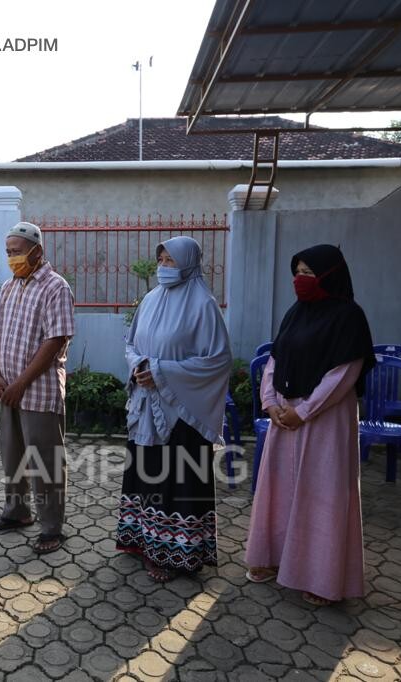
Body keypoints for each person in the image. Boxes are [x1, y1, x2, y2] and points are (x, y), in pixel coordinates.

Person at [245, 244, 375, 607]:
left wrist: (306, 410)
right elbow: (275, 358)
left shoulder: (349, 316)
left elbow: (345, 372)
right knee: (280, 489)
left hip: (324, 420)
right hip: (284, 417)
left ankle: (322, 577)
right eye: (297, 272)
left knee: (322, 494)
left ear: (329, 276)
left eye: (307, 273)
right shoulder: (295, 312)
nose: (299, 281)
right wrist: (270, 402)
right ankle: (272, 558)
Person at [116, 237, 232, 582]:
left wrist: (162, 372)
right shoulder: (151, 300)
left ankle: (176, 555)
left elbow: (217, 360)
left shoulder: (203, 304)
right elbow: (132, 343)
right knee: (146, 475)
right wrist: (139, 366)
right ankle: (143, 541)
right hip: (146, 406)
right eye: (161, 260)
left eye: (171, 261)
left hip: (181, 413)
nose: (164, 268)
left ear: (189, 264)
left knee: (175, 480)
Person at [0, 221, 75, 555]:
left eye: (17, 252)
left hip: (38, 391)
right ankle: (17, 512)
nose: (12, 258)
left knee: (45, 461)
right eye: (8, 253)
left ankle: (51, 527)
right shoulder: (9, 287)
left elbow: (56, 340)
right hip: (8, 389)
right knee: (13, 456)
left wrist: (21, 383)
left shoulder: (56, 287)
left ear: (37, 251)